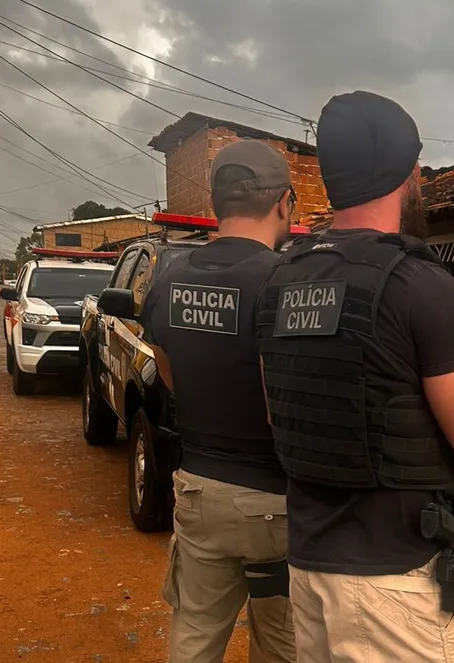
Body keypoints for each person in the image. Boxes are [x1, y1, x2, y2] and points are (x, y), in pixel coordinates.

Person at [254, 90, 454, 662]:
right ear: (406, 174)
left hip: (310, 568)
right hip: (390, 589)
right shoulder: (419, 287)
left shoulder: (282, 281)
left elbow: (280, 413)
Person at [140, 139, 298, 663]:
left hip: (199, 490)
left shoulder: (169, 279)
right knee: (280, 646)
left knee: (194, 636)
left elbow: (170, 377)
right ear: (284, 202)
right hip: (275, 502)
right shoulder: (285, 282)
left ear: (215, 203)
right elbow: (285, 402)